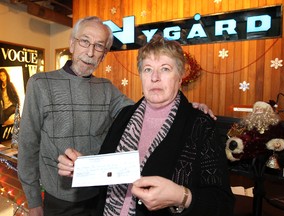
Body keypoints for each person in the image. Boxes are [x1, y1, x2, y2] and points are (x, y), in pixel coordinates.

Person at [17, 16, 215, 216]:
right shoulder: (40, 84)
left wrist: (187, 108)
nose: (90, 52)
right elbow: (28, 145)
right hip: (60, 200)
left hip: (100, 197)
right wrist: (33, 201)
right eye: (84, 41)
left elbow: (148, 108)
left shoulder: (107, 89)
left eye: (99, 46)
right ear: (71, 44)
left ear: (103, 55)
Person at [58, 35, 234, 216]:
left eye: (165, 69)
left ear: (180, 77)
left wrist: (181, 196)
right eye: (148, 69)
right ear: (141, 75)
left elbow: (223, 203)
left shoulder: (200, 125)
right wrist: (82, 169)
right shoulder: (125, 116)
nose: (155, 78)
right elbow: (108, 172)